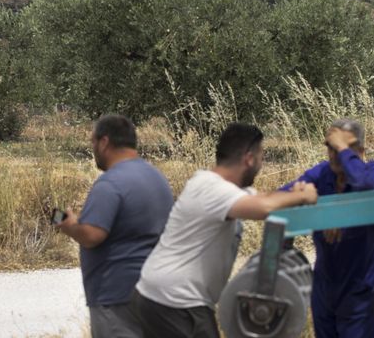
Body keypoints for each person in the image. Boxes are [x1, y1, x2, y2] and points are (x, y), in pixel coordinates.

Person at [132, 123, 318, 338]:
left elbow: (264, 198)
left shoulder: (216, 186)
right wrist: (303, 196)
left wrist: (291, 194)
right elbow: (263, 208)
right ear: (249, 159)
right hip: (174, 300)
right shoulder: (213, 189)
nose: (261, 164)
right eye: (261, 158)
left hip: (166, 297)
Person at [56, 114, 174, 338]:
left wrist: (70, 225)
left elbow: (92, 235)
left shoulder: (110, 184)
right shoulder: (157, 179)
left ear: (104, 142)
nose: (92, 148)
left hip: (116, 296)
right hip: (155, 293)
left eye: (93, 142)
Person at [280, 118, 374, 338]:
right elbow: (280, 196)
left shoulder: (373, 174)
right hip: (325, 288)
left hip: (362, 290)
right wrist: (298, 196)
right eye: (331, 147)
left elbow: (365, 185)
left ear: (361, 151)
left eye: (343, 148)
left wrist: (341, 147)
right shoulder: (323, 174)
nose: (336, 154)